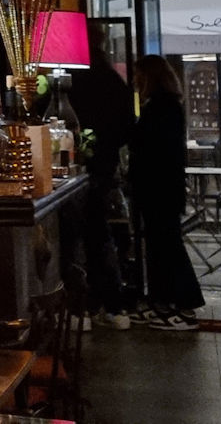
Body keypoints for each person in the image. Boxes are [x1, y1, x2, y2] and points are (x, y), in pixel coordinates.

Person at [128, 54, 204, 330]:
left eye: (138, 75)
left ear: (149, 77)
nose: (135, 80)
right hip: (163, 189)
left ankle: (185, 306)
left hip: (158, 189)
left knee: (167, 247)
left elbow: (151, 148)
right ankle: (163, 303)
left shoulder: (160, 108)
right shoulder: (168, 106)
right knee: (161, 247)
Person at [69, 44, 137, 329]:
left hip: (77, 170)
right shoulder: (112, 80)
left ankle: (79, 310)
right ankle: (113, 307)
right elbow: (128, 127)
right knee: (101, 237)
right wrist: (106, 149)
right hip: (105, 169)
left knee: (73, 239)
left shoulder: (71, 80)